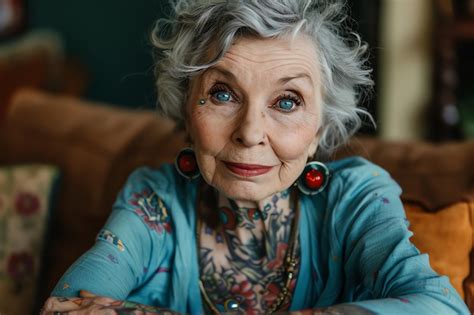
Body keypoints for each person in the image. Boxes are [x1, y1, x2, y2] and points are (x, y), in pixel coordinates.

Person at [42, 0, 469, 314]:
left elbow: (441, 307)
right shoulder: (154, 201)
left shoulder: (357, 198)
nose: (249, 133)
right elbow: (63, 308)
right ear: (187, 110)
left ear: (320, 126)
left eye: (286, 101)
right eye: (223, 94)